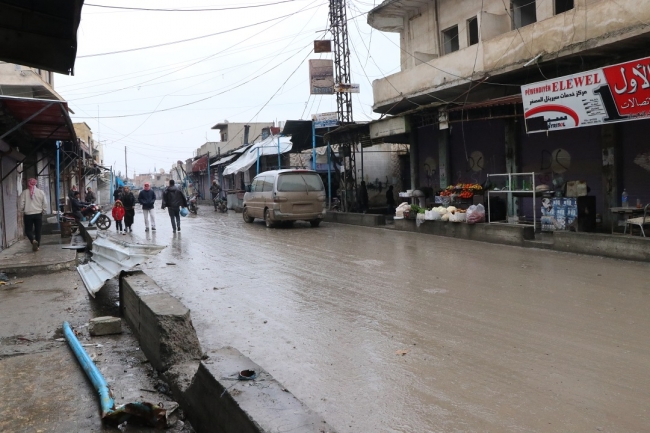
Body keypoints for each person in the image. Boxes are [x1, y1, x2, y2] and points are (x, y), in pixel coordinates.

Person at [19, 178, 47, 252]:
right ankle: (37, 246)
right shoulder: (41, 192)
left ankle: (33, 240)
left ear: (28, 184)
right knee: (38, 230)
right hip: (38, 214)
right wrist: (43, 211)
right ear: (35, 183)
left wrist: (22, 210)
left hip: (28, 214)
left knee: (28, 230)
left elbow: (21, 204)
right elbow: (45, 203)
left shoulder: (24, 193)